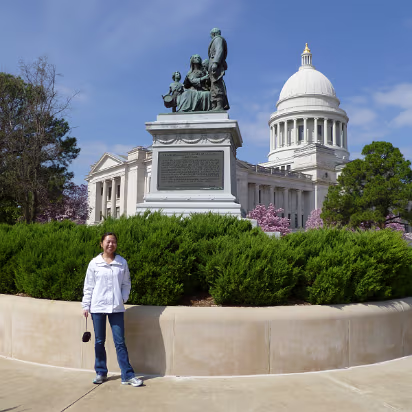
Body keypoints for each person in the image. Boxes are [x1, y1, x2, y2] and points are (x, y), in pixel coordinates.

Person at [82, 232, 142, 387]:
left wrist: (123, 298)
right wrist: (86, 305)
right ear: (101, 243)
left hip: (116, 307)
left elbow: (126, 283)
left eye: (113, 242)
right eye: (108, 242)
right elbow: (88, 286)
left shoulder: (122, 263)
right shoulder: (94, 263)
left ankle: (127, 375)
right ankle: (101, 372)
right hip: (97, 307)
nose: (111, 244)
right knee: (99, 341)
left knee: (120, 342)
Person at [208, 28, 230, 111]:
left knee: (217, 84)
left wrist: (215, 63)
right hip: (213, 65)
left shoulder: (218, 39)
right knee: (213, 85)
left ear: (213, 34)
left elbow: (219, 50)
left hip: (215, 65)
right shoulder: (217, 39)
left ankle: (219, 104)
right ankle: (215, 105)